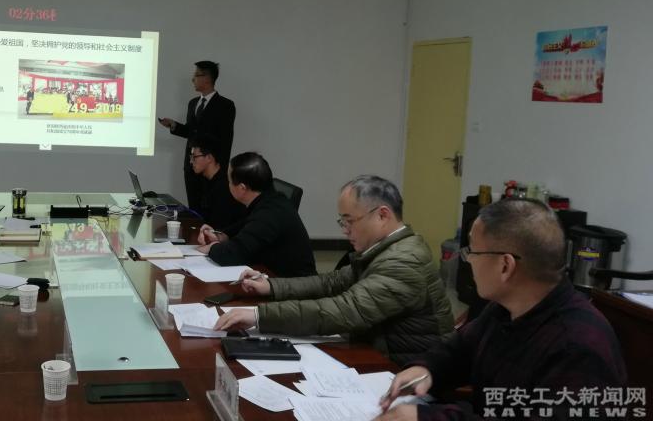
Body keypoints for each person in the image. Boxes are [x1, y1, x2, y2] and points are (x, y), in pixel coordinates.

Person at [375, 199, 627, 421]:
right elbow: (460, 349)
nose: (468, 260)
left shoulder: (577, 346)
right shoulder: (505, 308)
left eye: (472, 252)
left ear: (505, 265)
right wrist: (427, 369)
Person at [214, 175, 453, 365]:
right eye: (342, 221)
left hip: (406, 372)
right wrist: (271, 286)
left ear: (382, 215)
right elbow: (331, 282)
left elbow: (343, 311)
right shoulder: (385, 249)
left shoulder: (403, 261)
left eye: (350, 221)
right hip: (375, 352)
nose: (344, 230)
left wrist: (258, 316)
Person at [196, 152, 316, 277]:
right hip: (271, 273)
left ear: (242, 188)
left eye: (229, 181)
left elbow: (232, 255)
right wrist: (222, 235)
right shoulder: (270, 199)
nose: (228, 185)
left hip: (293, 284)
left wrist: (212, 248)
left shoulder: (269, 213)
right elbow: (247, 224)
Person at [158, 60, 236, 208]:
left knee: (210, 209)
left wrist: (221, 170)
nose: (193, 79)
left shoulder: (225, 105)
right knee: (193, 208)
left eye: (196, 75)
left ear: (207, 78)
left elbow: (226, 139)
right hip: (191, 166)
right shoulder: (193, 103)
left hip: (211, 169)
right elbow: (191, 131)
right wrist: (174, 125)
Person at [188, 136, 245, 228]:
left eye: (194, 157)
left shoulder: (224, 186)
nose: (191, 161)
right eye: (190, 157)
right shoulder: (206, 181)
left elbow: (219, 226)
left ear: (209, 158)